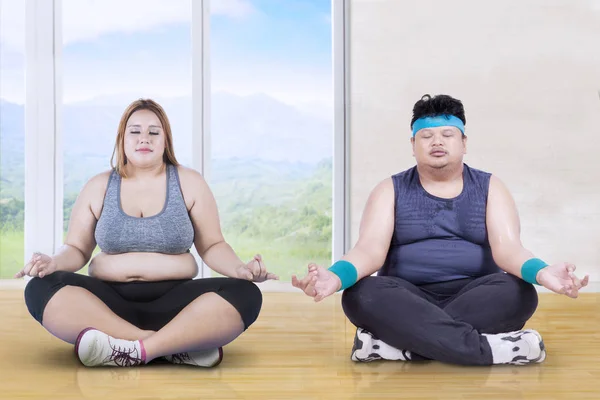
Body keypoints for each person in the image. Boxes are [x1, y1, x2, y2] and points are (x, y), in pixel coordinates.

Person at [292, 94, 589, 366]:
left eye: (447, 135)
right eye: (426, 136)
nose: (437, 142)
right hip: (406, 296)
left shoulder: (490, 188)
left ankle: (395, 345)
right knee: (361, 294)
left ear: (463, 142)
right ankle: (494, 350)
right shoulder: (389, 190)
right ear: (413, 145)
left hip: (476, 293)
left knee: (519, 292)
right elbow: (369, 250)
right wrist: (335, 276)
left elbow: (508, 249)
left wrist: (542, 272)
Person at [17, 98, 278, 368]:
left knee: (245, 294)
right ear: (122, 139)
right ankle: (168, 346)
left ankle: (129, 349)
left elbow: (212, 246)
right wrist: (53, 262)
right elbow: (76, 248)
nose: (145, 138)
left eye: (154, 132)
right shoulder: (99, 185)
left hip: (177, 305)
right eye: (135, 131)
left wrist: (240, 269)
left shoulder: (189, 182)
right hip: (107, 305)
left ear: (165, 140)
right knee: (40, 288)